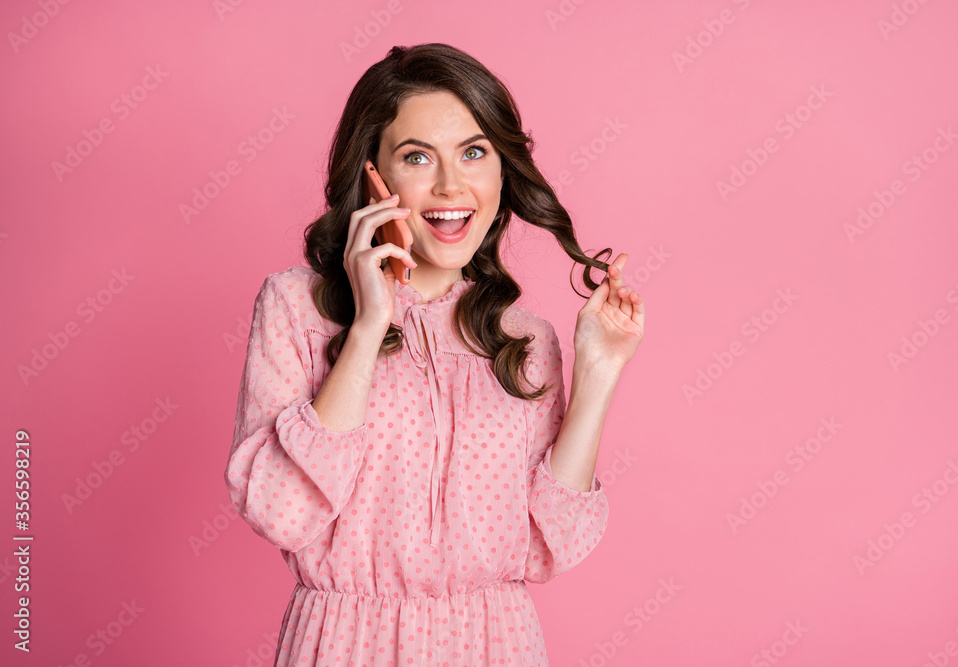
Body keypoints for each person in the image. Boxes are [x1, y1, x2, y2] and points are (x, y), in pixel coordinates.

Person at [224, 42, 644, 667]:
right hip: (345, 646)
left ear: (503, 170)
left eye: (474, 152)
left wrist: (599, 372)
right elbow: (282, 511)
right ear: (374, 176)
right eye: (417, 157)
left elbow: (545, 545)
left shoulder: (521, 338)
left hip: (494, 645)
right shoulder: (298, 307)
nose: (452, 185)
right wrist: (368, 326)